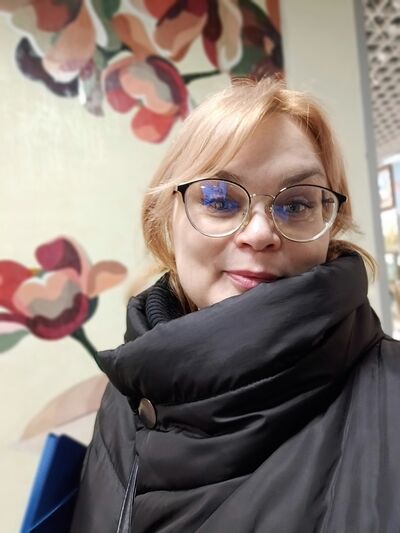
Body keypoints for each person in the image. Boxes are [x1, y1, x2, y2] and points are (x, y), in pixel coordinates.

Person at [71, 77, 400, 532]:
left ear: (330, 222)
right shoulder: (127, 397)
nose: (260, 233)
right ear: (167, 216)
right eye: (219, 199)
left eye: (297, 205)